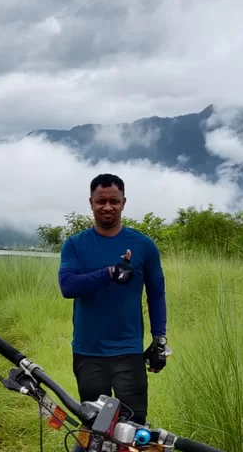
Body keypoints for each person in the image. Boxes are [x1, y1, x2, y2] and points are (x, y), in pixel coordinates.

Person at [57, 173, 168, 424]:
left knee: (134, 426)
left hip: (128, 350)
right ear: (91, 202)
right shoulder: (75, 245)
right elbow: (68, 286)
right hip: (88, 351)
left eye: (114, 201)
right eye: (101, 201)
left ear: (124, 202)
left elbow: (156, 294)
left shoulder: (143, 245)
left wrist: (159, 338)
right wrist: (109, 273)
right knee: (96, 426)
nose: (108, 207)